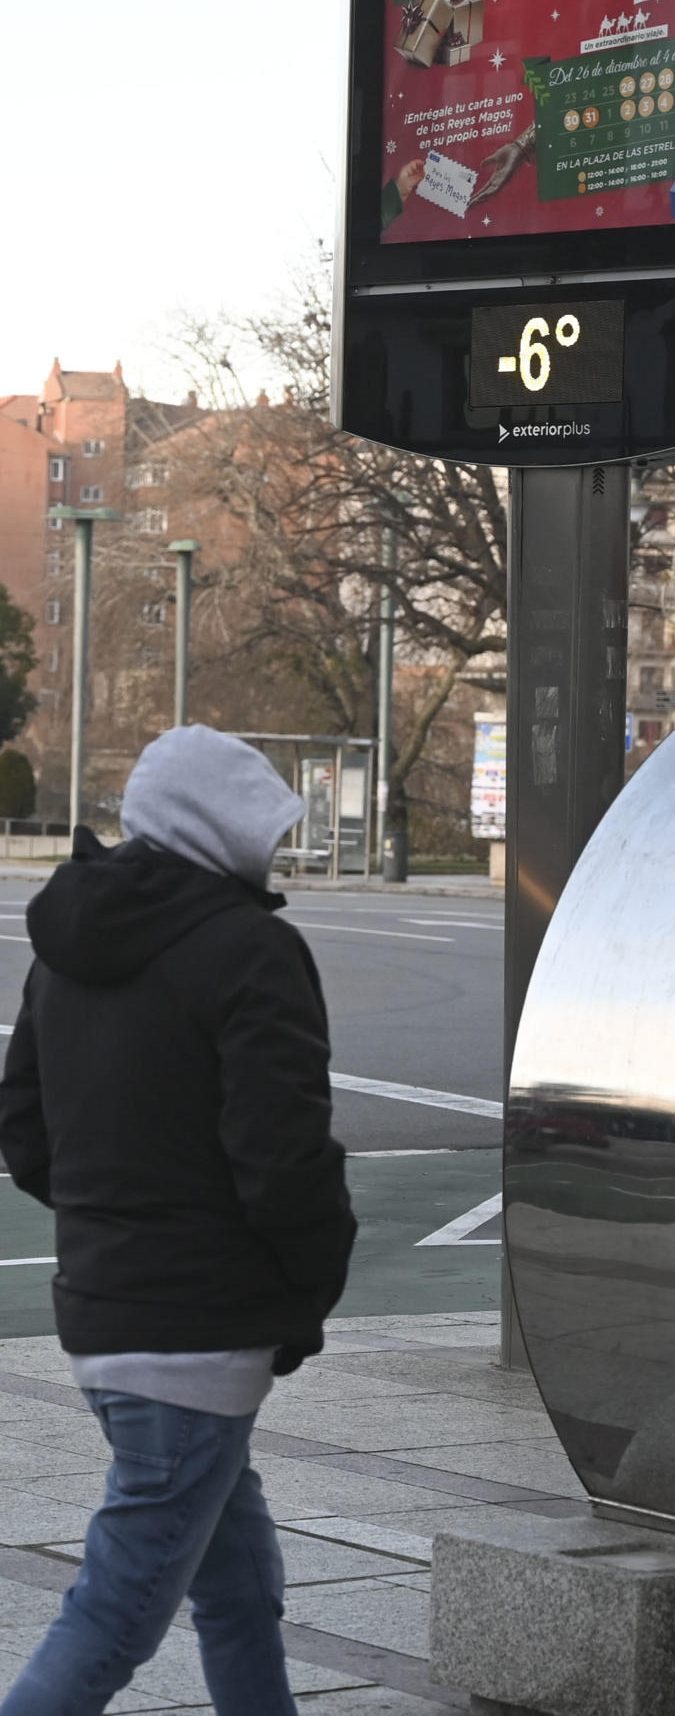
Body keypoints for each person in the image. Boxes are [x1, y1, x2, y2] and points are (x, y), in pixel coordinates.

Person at [0, 725, 356, 1716]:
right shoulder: (251, 951)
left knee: (238, 1586)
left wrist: (118, 1226)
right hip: (201, 1330)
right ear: (227, 830)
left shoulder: (64, 948)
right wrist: (306, 1288)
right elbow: (284, 1161)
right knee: (114, 1618)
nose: (278, 847)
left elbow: (24, 1133)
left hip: (105, 1313)